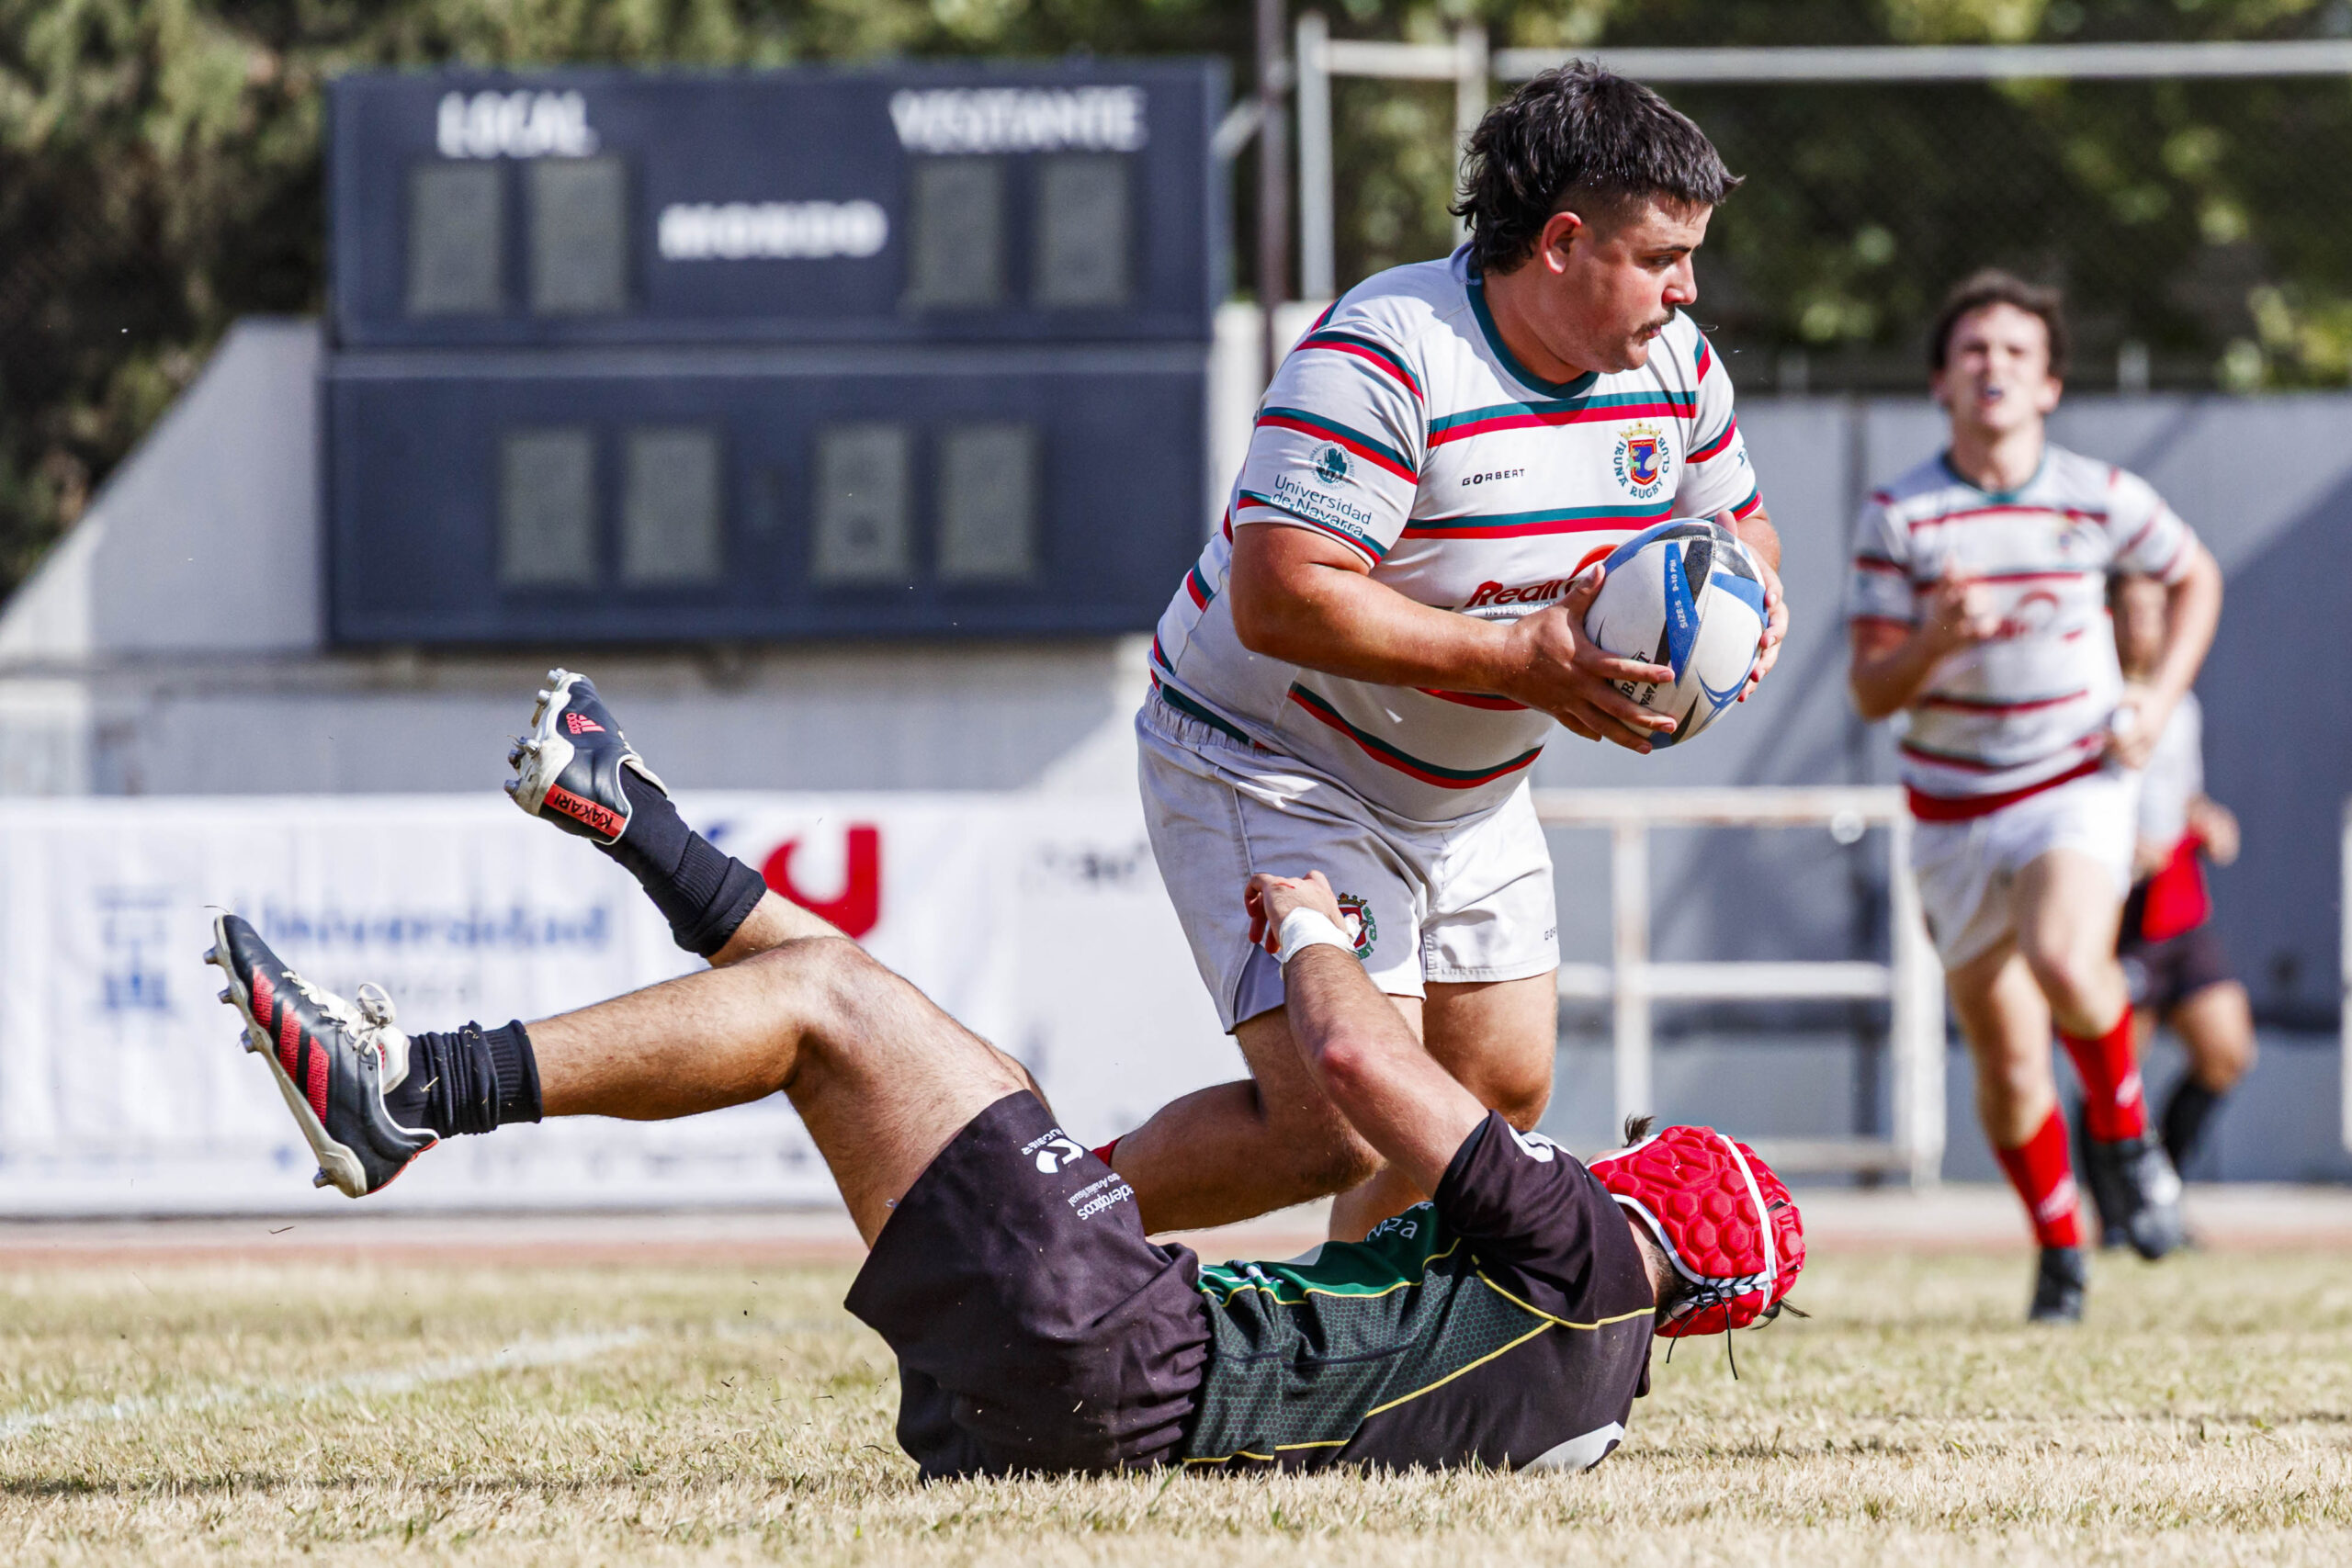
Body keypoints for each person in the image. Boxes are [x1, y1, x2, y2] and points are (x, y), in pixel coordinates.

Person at [205, 674, 1804, 1478]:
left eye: (1644, 1156)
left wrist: (1317, 926)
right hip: (1102, 1394)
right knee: (909, 1039)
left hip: (1127, 1357)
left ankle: (412, 1085)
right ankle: (636, 819)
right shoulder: (1587, 1365)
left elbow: (1356, 1057)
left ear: (1669, 1207)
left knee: (838, 1003)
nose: (1607, 1154)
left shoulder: (1591, 1259)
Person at [1115, 62, 1789, 1244]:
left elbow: (1744, 528)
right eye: (1662, 257)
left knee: (1491, 1099)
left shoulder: (1670, 369)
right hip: (1273, 759)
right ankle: (1007, 1236)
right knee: (1339, 1122)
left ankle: (1344, 1357)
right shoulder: (1387, 353)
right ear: (1565, 243)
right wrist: (1514, 661)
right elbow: (1280, 599)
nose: (1687, 291)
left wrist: (1750, 602)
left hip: (1470, 791)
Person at [1846, 271, 2224, 1324]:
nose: (1993, 368)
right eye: (1972, 351)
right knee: (2009, 1063)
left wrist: (2155, 700)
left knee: (2068, 958)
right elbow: (1870, 689)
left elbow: (2196, 578)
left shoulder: (2100, 494)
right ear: (1939, 382)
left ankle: (2133, 1145)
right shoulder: (1899, 518)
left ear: (2050, 383)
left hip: (2072, 782)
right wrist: (1936, 641)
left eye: (2015, 352)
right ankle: (2061, 1254)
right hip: (1950, 812)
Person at [2086, 573, 2253, 1221]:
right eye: (2131, 612)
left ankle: (2163, 1192)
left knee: (2227, 1048)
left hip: (2180, 904)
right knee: (2114, 1071)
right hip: (2117, 910)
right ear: (2108, 616)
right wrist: (2118, 845)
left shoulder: (2178, 702)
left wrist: (2207, 819)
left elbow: (2179, 794)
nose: (2144, 628)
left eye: (2157, 613)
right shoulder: (2090, 696)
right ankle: (2114, 1218)